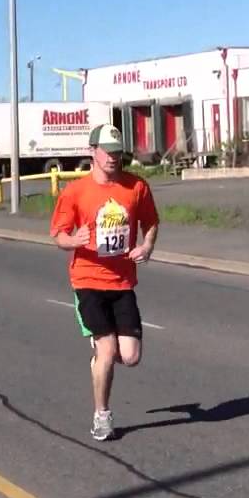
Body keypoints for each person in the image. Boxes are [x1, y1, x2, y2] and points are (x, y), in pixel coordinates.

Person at [50, 124, 159, 441]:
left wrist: (147, 246)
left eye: (117, 152)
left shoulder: (136, 187)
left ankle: (101, 357)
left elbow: (151, 221)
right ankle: (102, 415)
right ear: (92, 151)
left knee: (131, 357)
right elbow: (58, 234)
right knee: (108, 350)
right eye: (107, 151)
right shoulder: (76, 192)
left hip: (122, 281)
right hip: (87, 280)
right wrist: (74, 240)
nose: (113, 157)